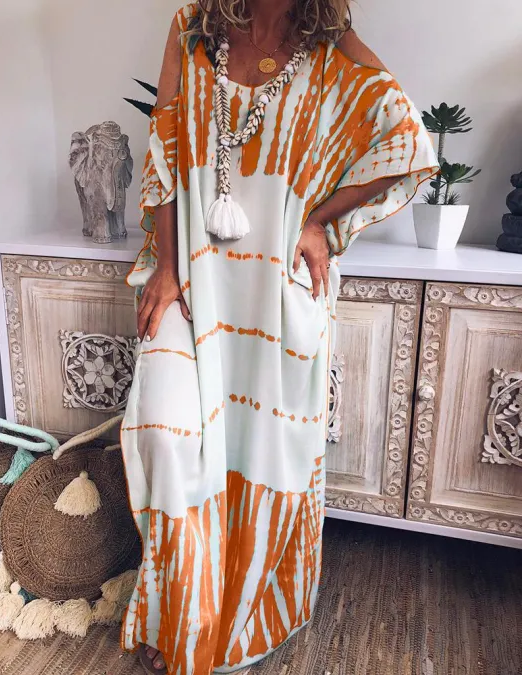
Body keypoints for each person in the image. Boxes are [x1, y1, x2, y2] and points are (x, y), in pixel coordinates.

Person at [121, 1, 438, 672]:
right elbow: (166, 148)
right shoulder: (192, 27)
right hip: (192, 280)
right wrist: (168, 267)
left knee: (261, 457)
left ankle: (229, 616)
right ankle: (185, 610)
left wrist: (319, 221)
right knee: (167, 435)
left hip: (277, 291)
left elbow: (405, 136)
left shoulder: (328, 41)